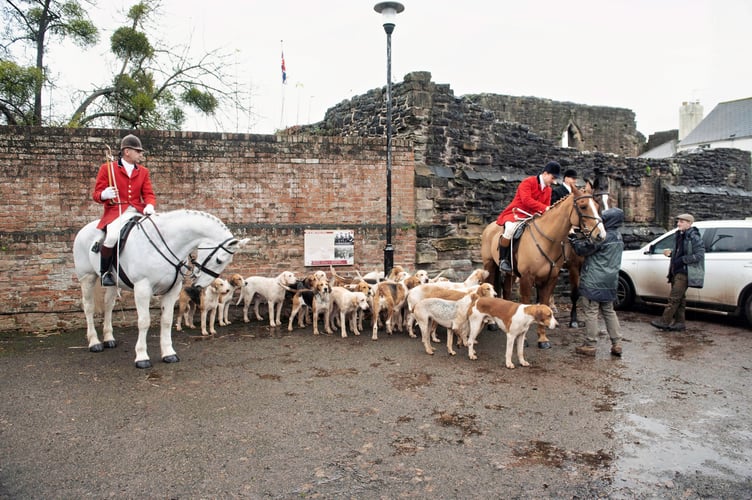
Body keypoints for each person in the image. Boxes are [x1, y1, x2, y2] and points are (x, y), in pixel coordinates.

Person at [92, 134, 157, 286]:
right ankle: (105, 273)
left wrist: (150, 205)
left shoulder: (143, 171)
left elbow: (148, 194)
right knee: (112, 236)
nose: (141, 154)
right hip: (116, 212)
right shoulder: (107, 169)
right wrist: (104, 194)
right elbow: (96, 195)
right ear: (127, 152)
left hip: (137, 210)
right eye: (138, 151)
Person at [569, 207, 625, 357]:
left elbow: (582, 250)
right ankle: (617, 343)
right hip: (610, 281)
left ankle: (590, 344)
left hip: (594, 280)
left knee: (591, 312)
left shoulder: (602, 236)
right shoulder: (618, 236)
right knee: (609, 311)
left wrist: (573, 239)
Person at [495, 160, 561, 273]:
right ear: (545, 173)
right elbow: (526, 200)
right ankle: (503, 259)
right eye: (553, 177)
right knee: (509, 231)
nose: (554, 181)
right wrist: (544, 208)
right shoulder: (528, 182)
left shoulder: (548, 190)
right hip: (517, 213)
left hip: (533, 216)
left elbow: (546, 206)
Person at [650, 213, 705, 332]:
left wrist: (682, 260)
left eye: (682, 222)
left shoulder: (694, 237)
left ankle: (664, 321)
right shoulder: (680, 235)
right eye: (678, 221)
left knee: (674, 298)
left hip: (684, 272)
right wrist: (672, 254)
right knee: (680, 299)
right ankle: (680, 323)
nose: (678, 224)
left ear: (689, 224)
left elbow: (699, 255)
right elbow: (680, 251)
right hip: (676, 271)